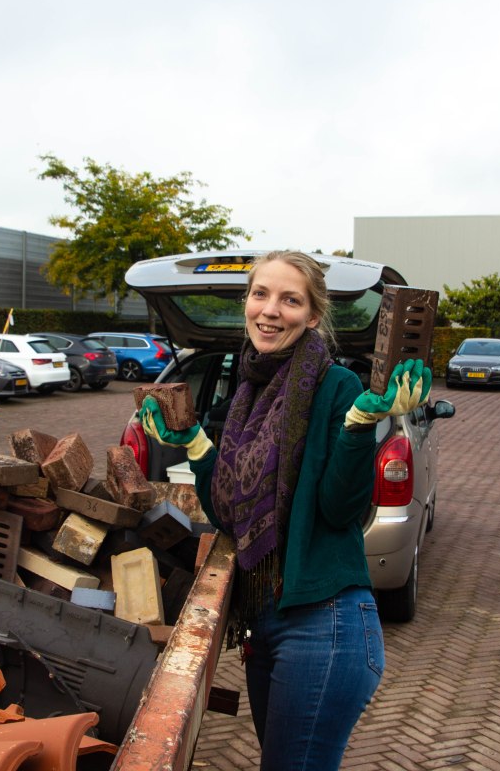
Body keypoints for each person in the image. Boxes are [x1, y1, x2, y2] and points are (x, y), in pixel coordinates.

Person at [139, 250, 431, 770]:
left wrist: (360, 423)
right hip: (266, 623)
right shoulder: (248, 388)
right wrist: (198, 446)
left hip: (326, 624)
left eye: (290, 299)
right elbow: (229, 509)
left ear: (313, 315)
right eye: (260, 294)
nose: (270, 310)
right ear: (246, 302)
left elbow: (339, 510)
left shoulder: (334, 384)